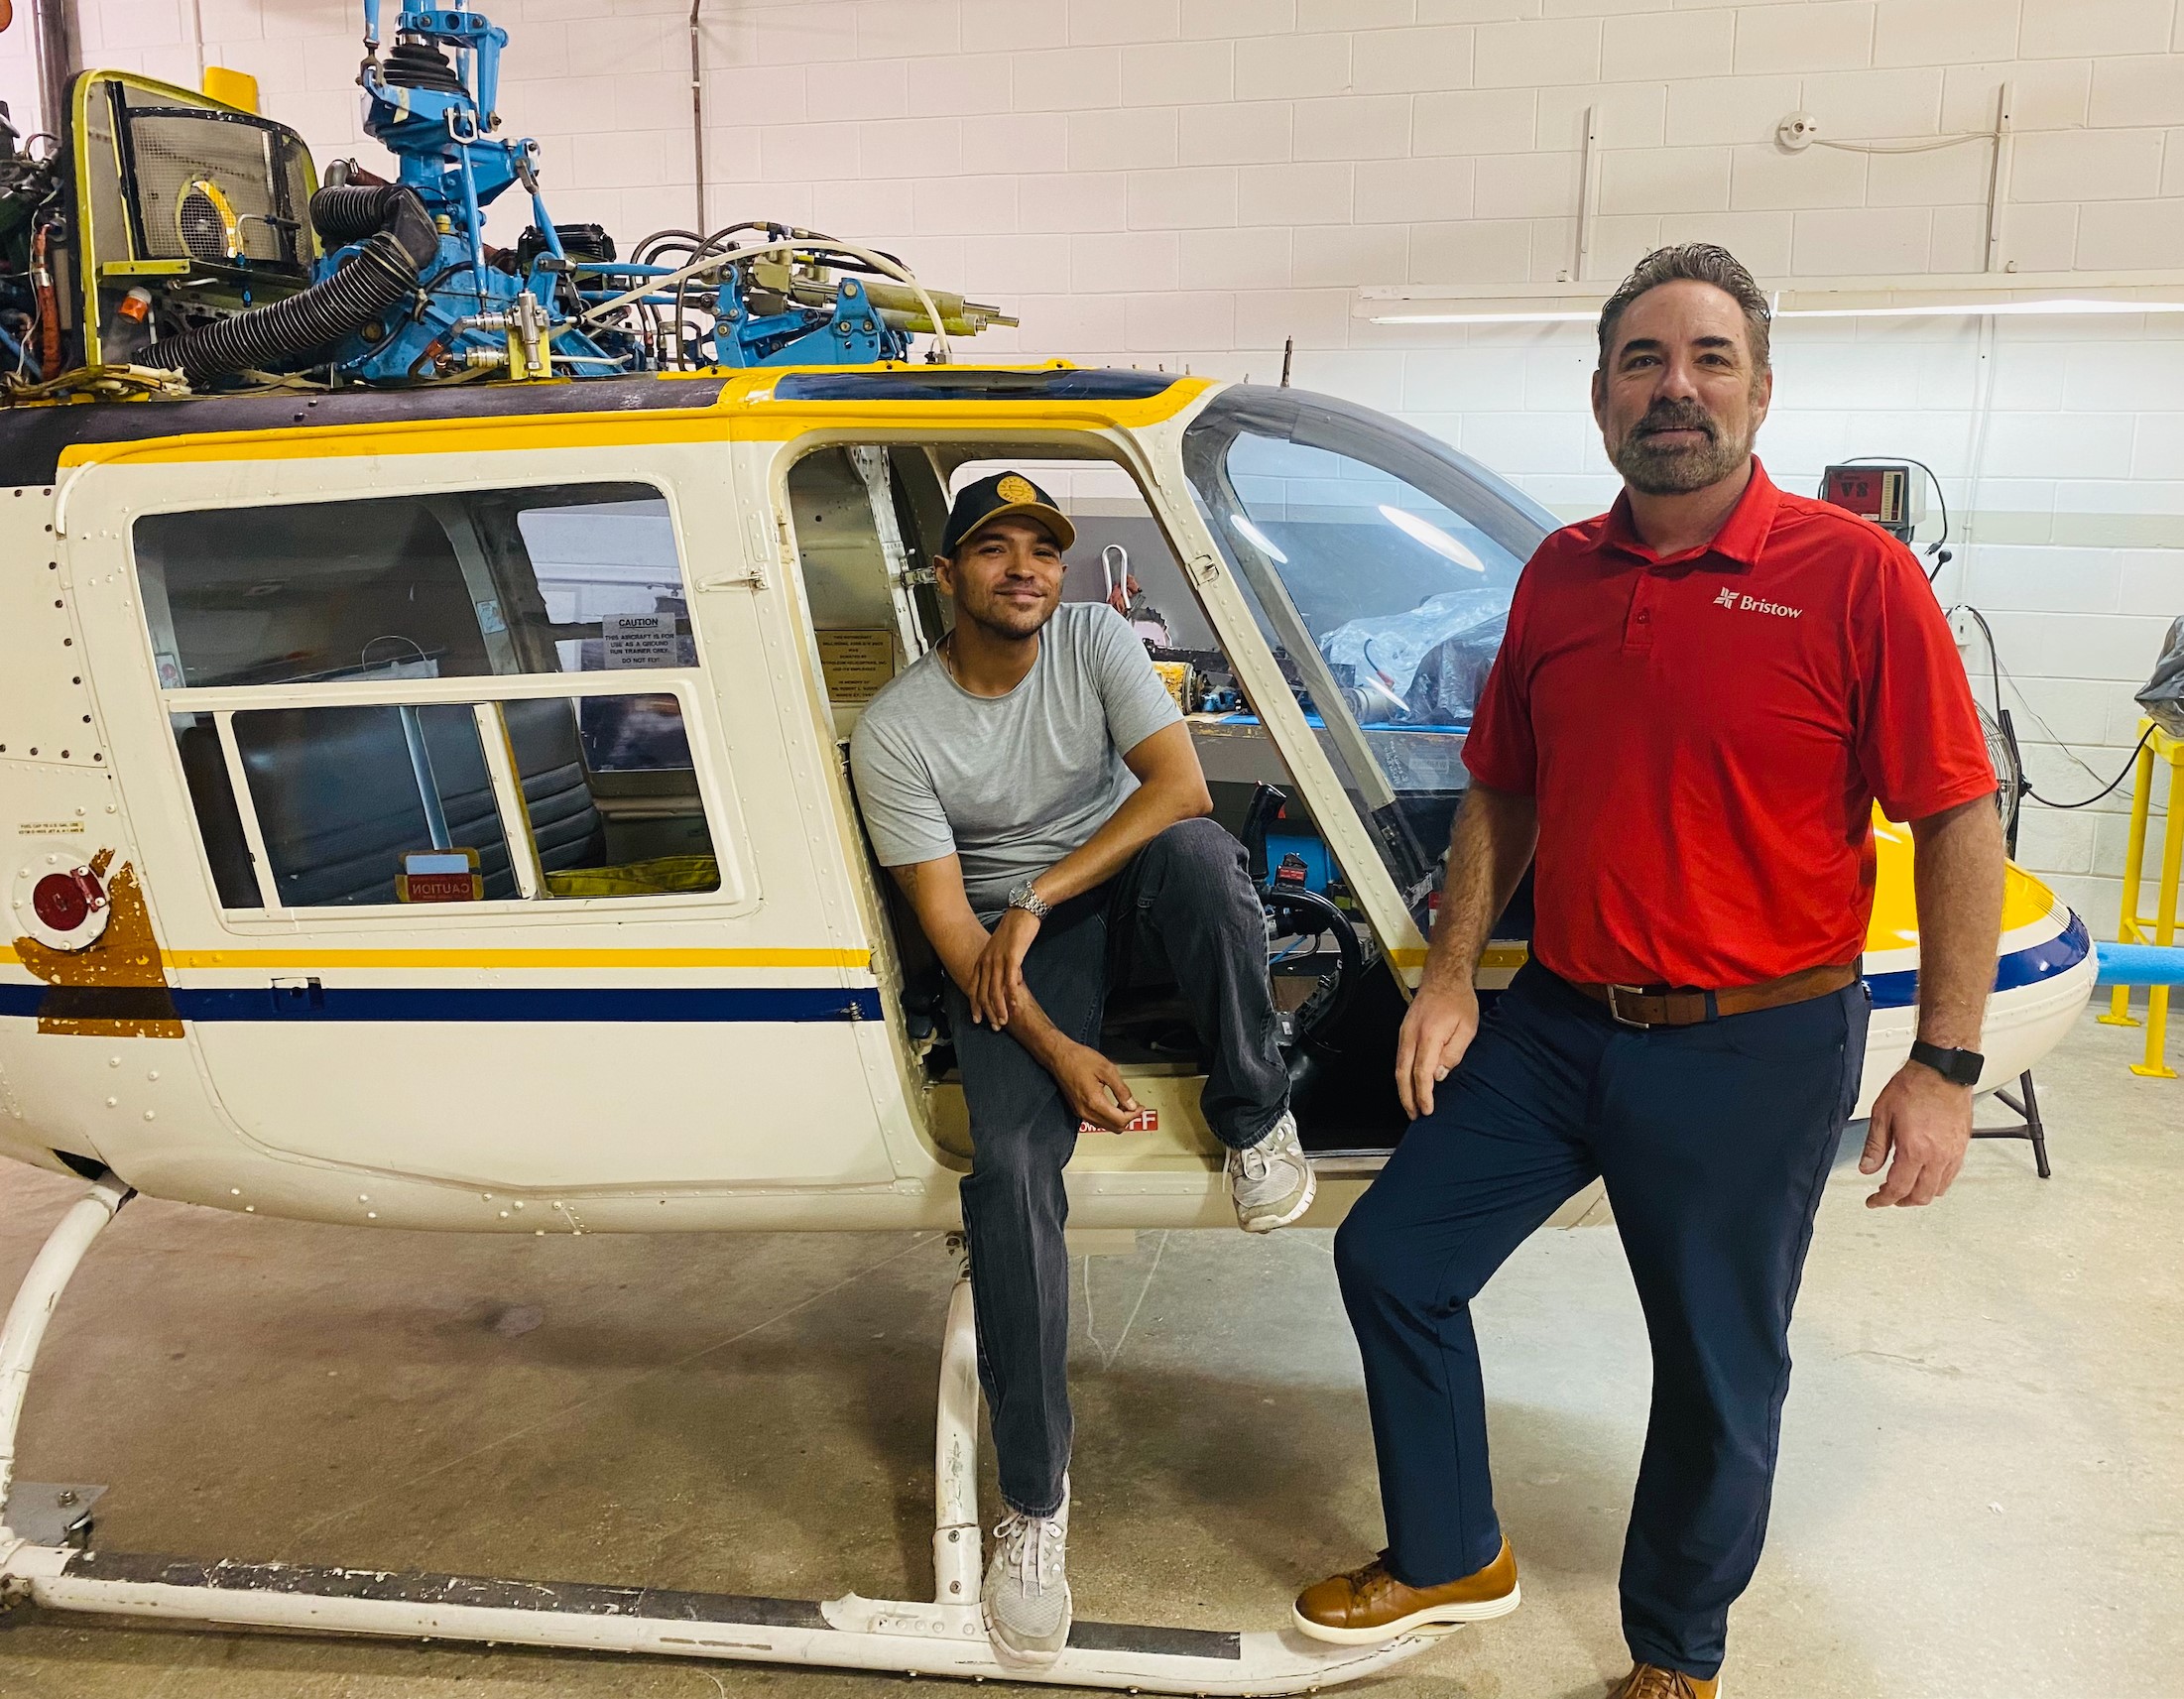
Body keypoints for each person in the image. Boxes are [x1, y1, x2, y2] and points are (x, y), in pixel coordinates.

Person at [1291, 245, 2003, 1699]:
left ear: (1757, 386)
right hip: (1558, 1025)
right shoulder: (1558, 572)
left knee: (1711, 1368)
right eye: (1642, 360)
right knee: (1392, 1259)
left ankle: (1674, 1654)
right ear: (1603, 394)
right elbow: (1500, 786)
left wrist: (1942, 1062)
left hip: (1755, 1044)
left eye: (1708, 357)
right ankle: (1447, 1550)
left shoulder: (1850, 576)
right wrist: (1444, 981)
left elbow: (1955, 817)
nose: (1674, 387)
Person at [850, 470, 1315, 1667]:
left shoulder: (1097, 636)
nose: (1025, 571)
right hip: (996, 935)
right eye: (994, 551)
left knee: (1210, 859)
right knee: (1006, 1169)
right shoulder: (899, 728)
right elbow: (955, 934)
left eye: (1043, 551)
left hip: (1105, 880)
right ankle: (1037, 1508)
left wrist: (1044, 898)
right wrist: (1057, 1053)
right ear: (944, 576)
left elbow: (1181, 788)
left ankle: (1257, 1115)